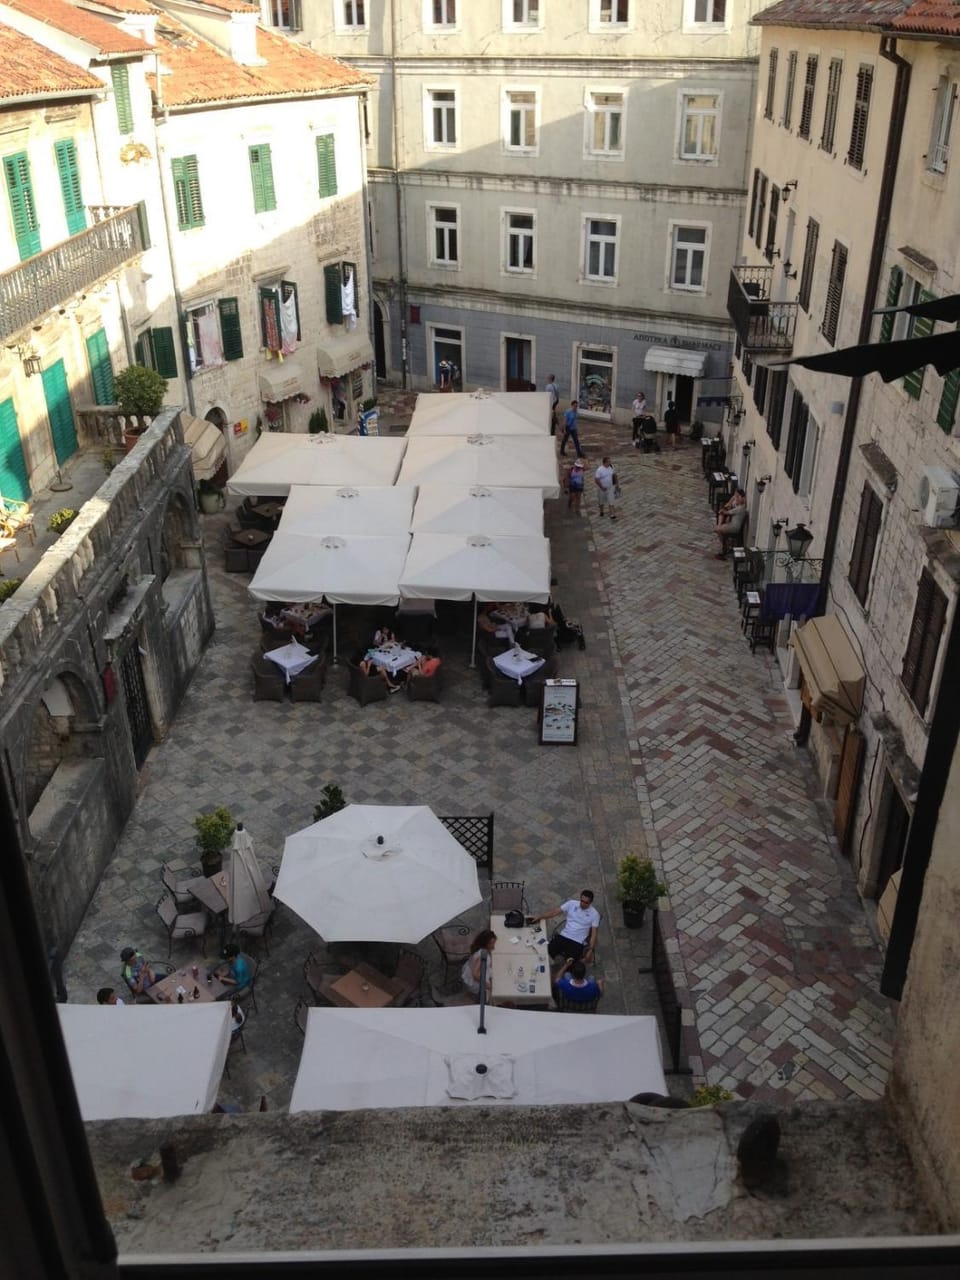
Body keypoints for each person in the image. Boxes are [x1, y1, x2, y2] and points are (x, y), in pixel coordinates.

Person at [530, 890, 601, 966]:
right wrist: (540, 916)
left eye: (586, 902)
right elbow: (554, 912)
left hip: (577, 941)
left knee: (572, 964)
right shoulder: (571, 904)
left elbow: (594, 934)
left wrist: (591, 950)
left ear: (590, 902)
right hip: (564, 935)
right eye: (582, 901)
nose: (583, 904)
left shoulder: (595, 914)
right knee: (547, 951)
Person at [461, 929, 497, 999]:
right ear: (485, 943)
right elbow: (475, 974)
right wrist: (486, 984)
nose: (493, 946)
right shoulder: (482, 955)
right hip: (476, 980)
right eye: (491, 943)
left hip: (472, 968)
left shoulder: (480, 948)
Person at [715, 488, 747, 558]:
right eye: (736, 496)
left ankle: (725, 547)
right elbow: (732, 500)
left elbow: (725, 512)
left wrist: (723, 510)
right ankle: (725, 545)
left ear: (743, 498)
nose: (736, 498)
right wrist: (733, 499)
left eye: (738, 497)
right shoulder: (739, 505)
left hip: (734, 528)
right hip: (732, 524)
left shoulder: (740, 508)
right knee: (719, 525)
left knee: (718, 529)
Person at [594, 456, 618, 521]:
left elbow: (614, 475)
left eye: (610, 461)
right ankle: (601, 511)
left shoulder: (611, 467)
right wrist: (602, 487)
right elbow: (596, 480)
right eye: (608, 462)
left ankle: (612, 514)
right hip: (602, 488)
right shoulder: (599, 470)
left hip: (610, 488)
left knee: (611, 501)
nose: (610, 463)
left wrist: (616, 484)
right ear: (605, 462)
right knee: (601, 501)